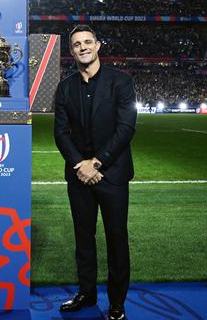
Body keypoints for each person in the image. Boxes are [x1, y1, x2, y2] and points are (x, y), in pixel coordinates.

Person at [54, 25, 137, 320]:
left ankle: (117, 302)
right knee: (83, 239)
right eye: (77, 44)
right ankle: (87, 294)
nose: (83, 47)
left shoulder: (121, 81)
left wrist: (97, 163)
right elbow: (61, 134)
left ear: (98, 45)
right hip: (79, 177)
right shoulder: (65, 87)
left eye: (88, 42)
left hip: (111, 175)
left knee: (116, 239)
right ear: (71, 50)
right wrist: (81, 165)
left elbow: (126, 128)